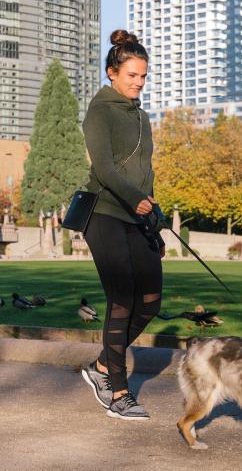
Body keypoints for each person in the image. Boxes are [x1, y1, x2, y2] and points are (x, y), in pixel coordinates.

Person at [79, 29, 162, 421]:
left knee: (150, 300)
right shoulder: (100, 111)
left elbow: (144, 171)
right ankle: (118, 391)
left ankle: (100, 368)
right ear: (113, 72)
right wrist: (135, 198)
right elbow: (106, 168)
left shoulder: (142, 115)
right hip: (106, 214)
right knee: (122, 299)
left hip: (137, 217)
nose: (139, 82)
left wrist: (154, 215)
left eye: (143, 76)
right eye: (132, 75)